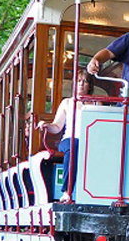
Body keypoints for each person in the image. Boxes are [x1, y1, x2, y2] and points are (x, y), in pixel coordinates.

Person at [33, 69, 92, 201]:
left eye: (85, 81)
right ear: (74, 84)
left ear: (89, 85)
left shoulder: (96, 103)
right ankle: (67, 191)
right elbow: (57, 127)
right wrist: (46, 125)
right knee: (73, 145)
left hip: (89, 142)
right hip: (69, 140)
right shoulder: (67, 103)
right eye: (78, 81)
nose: (81, 84)